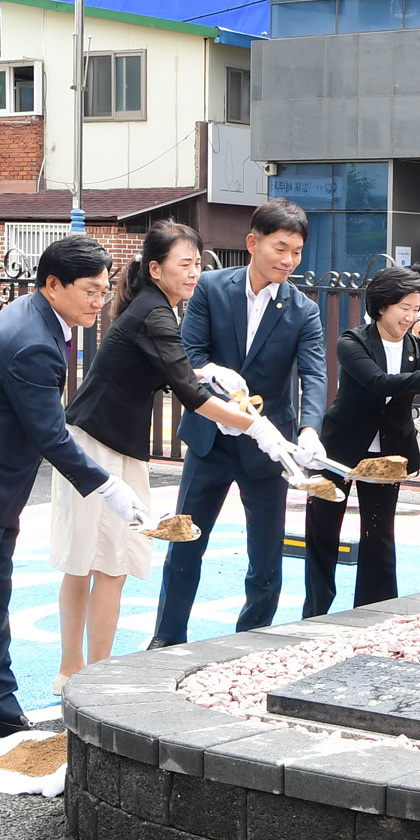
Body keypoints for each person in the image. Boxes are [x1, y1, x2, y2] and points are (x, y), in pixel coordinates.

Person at [0, 235, 148, 761]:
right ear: (53, 285)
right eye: (90, 290)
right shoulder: (33, 342)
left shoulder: (41, 318)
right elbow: (50, 434)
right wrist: (108, 486)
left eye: (104, 289)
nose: (100, 301)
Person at [49, 221, 301, 692]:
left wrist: (208, 371)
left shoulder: (156, 308)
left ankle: (85, 673)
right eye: (184, 264)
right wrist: (258, 427)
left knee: (103, 563)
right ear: (155, 269)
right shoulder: (155, 313)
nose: (193, 274)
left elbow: (178, 371)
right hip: (98, 445)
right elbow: (191, 395)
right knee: (96, 562)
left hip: (113, 444)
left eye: (197, 264)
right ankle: (79, 675)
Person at [149, 199, 328, 647]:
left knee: (266, 555)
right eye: (280, 248)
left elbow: (314, 374)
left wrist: (309, 429)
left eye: (297, 252)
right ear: (252, 242)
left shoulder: (303, 309)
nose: (289, 260)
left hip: (268, 446)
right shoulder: (210, 288)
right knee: (185, 542)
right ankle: (166, 638)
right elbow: (190, 356)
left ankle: (252, 641)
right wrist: (221, 397)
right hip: (210, 438)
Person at [304, 266, 420, 613]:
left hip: (388, 453)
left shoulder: (417, 346)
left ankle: (374, 610)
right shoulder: (352, 342)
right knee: (323, 531)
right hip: (338, 449)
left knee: (379, 533)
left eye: (416, 309)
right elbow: (378, 382)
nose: (410, 316)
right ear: (381, 306)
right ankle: (315, 610)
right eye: (404, 307)